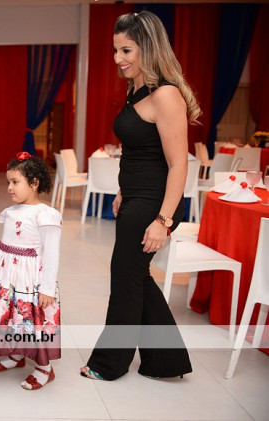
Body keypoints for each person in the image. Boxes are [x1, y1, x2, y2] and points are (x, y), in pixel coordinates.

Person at [80, 11, 200, 381]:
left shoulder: (166, 95)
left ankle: (109, 364)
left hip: (155, 203)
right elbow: (139, 150)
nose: (118, 59)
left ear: (147, 48)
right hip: (135, 196)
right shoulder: (136, 89)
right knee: (136, 275)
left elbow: (178, 165)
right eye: (115, 50)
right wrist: (122, 189)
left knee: (125, 278)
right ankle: (166, 361)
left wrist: (163, 220)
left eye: (126, 50)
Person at [0, 152, 62, 390]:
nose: (9, 188)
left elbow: (52, 254)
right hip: (7, 276)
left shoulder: (46, 215)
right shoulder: (11, 211)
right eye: (8, 182)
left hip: (29, 279)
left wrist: (47, 288)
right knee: (12, 316)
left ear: (34, 183)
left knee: (31, 320)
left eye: (15, 182)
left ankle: (44, 368)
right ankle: (15, 354)